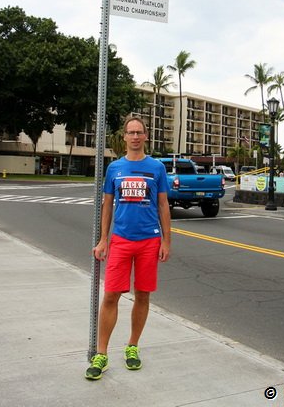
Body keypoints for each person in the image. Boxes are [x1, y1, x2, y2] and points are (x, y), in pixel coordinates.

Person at [85, 116, 171, 380]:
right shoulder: (115, 169)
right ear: (124, 137)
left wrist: (167, 241)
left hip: (149, 240)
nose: (135, 136)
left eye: (139, 132)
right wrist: (103, 239)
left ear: (146, 136)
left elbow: (163, 205)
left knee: (142, 295)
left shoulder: (156, 168)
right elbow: (107, 205)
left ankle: (132, 346)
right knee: (111, 295)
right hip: (121, 240)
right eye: (130, 132)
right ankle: (101, 353)